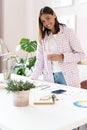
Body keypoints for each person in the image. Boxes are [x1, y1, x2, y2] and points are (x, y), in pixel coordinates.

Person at [31, 6, 85, 88]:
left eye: (48, 18)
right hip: (50, 77)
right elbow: (40, 60)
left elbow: (81, 55)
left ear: (54, 15)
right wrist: (32, 79)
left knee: (69, 100)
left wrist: (62, 57)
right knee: (54, 100)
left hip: (68, 76)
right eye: (43, 21)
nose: (46, 23)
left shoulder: (68, 32)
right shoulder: (43, 37)